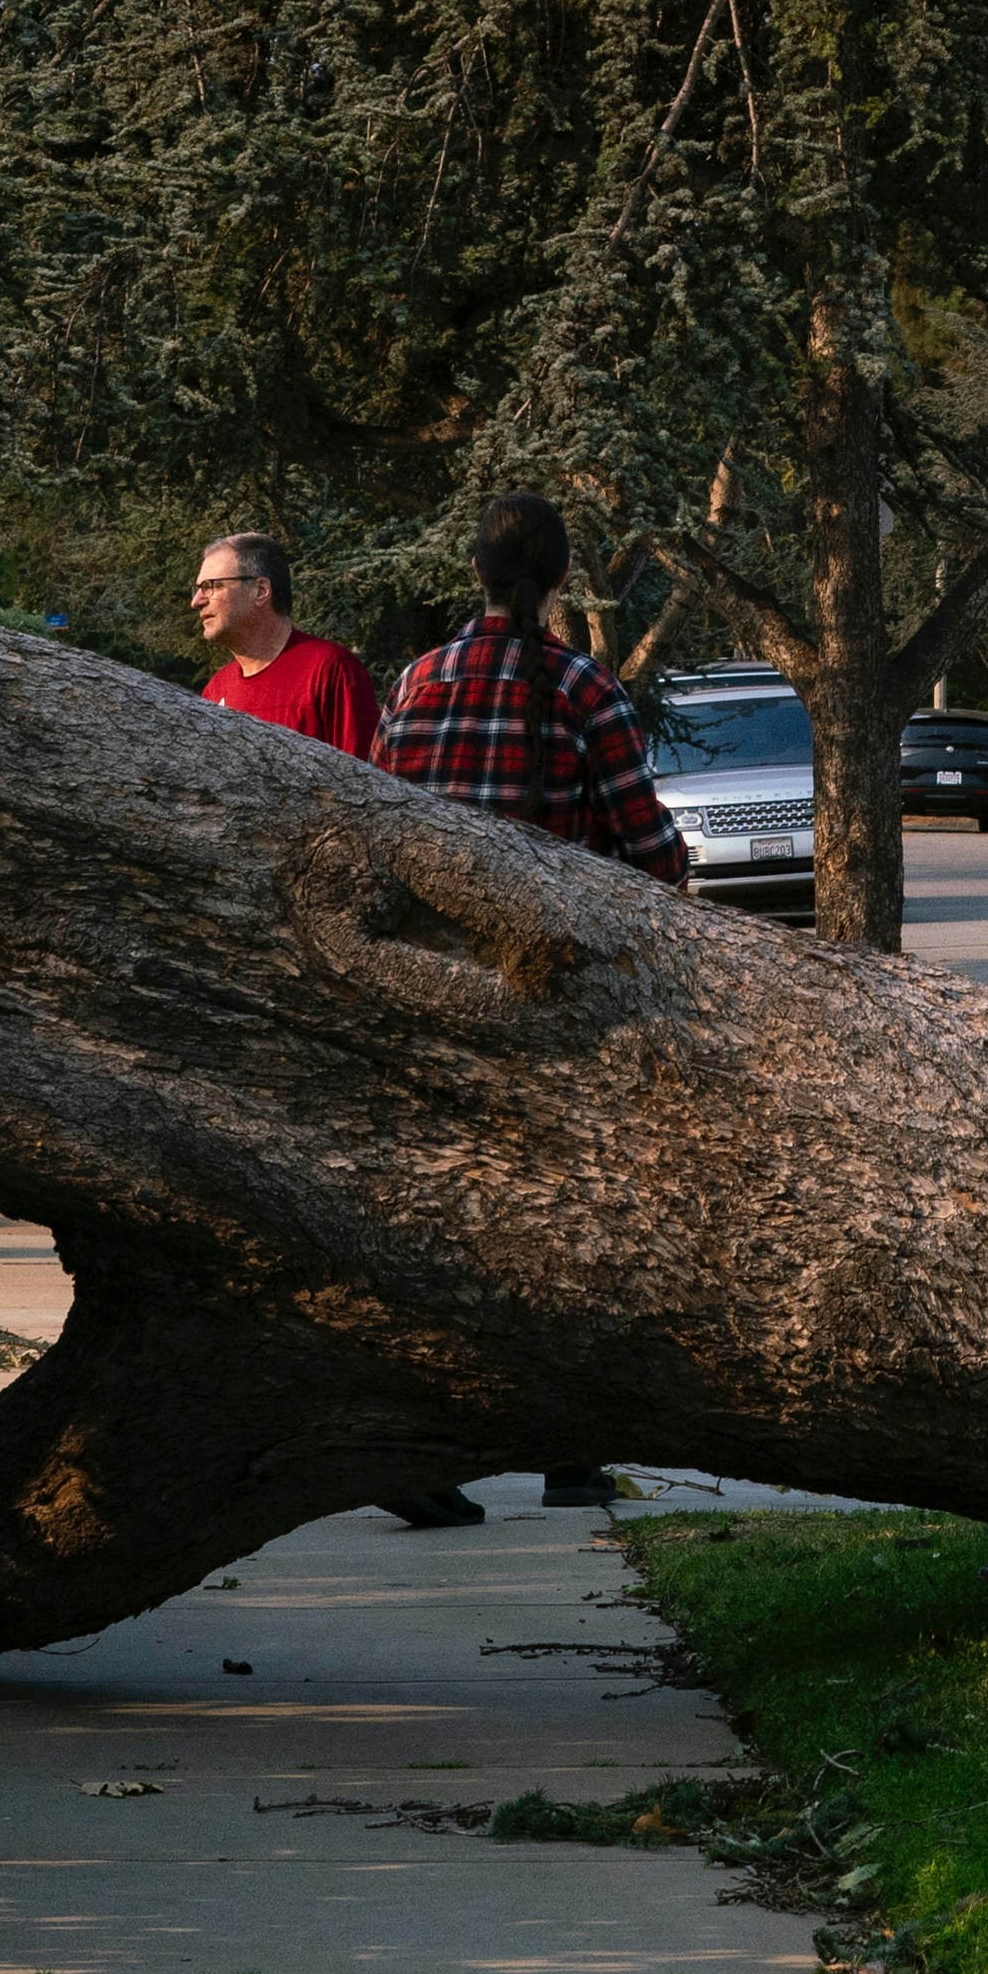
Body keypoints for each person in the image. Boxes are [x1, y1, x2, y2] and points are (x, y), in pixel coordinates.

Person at [362, 492, 684, 1527]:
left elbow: (379, 826)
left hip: (424, 986)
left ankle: (411, 1442)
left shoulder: (414, 681)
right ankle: (569, 1453)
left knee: (439, 1225)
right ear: (555, 579)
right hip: (544, 997)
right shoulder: (580, 685)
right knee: (564, 1223)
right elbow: (647, 848)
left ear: (473, 572)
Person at [187, 529, 376, 758]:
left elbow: (365, 782)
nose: (196, 601)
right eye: (198, 589)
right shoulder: (216, 690)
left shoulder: (329, 670)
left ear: (261, 591)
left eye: (212, 586)